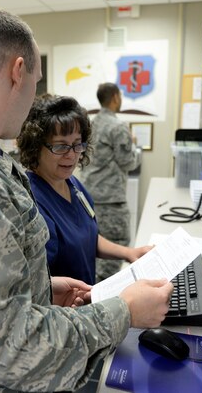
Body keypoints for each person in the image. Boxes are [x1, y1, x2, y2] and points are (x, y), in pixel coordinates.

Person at [0, 7, 173, 392]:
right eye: (35, 79)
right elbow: (8, 348)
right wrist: (124, 311)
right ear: (17, 70)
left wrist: (39, 287)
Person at [17, 94, 152, 285]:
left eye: (77, 144)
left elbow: (88, 238)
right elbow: (38, 285)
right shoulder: (33, 203)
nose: (71, 155)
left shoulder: (74, 185)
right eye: (61, 146)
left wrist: (129, 253)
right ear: (35, 145)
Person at [79, 82, 142, 282]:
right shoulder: (118, 126)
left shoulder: (89, 124)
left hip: (87, 199)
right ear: (115, 97)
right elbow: (128, 162)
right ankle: (104, 297)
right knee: (117, 247)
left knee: (94, 249)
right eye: (120, 96)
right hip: (111, 202)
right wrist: (133, 144)